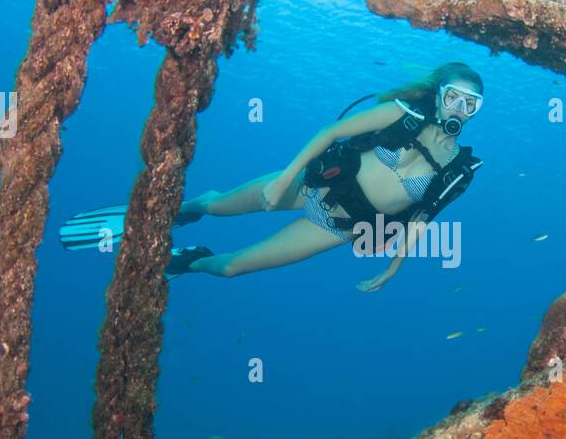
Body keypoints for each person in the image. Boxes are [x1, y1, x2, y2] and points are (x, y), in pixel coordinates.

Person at [59, 62, 485, 292]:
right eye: (454, 98)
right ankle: (187, 210)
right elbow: (331, 132)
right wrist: (284, 181)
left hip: (336, 227)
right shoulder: (401, 115)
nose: (459, 111)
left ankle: (191, 260)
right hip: (309, 186)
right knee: (217, 205)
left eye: (471, 105)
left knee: (229, 270)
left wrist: (395, 267)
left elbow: (422, 216)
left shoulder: (458, 168)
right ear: (438, 95)